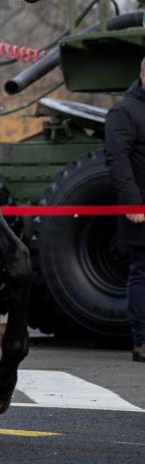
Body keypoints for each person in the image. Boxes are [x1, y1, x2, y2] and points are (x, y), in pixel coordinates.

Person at [104, 56, 145, 361]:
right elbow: (117, 158)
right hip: (140, 208)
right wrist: (132, 201)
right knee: (142, 273)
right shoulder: (124, 111)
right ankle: (142, 341)